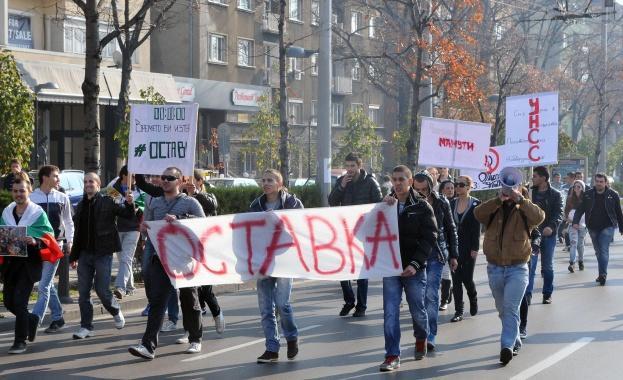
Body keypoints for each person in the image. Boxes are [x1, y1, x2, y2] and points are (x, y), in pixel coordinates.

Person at [128, 167, 206, 360]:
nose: (165, 181)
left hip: (184, 259)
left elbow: (203, 225)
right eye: (163, 177)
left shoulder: (190, 202)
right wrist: (145, 227)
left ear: (179, 181)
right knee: (157, 301)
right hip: (161, 258)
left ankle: (195, 338)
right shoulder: (155, 202)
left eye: (170, 178)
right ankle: (148, 346)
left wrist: (180, 219)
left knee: (189, 299)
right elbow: (148, 229)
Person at [474, 181, 545, 365]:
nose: (509, 191)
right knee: (502, 308)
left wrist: (520, 199)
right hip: (495, 267)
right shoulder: (494, 207)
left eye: (513, 187)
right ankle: (515, 339)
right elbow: (477, 213)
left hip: (518, 267)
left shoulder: (524, 208)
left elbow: (539, 217)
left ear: (520, 189)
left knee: (511, 307)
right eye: (506, 187)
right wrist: (498, 200)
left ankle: (506, 345)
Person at [378, 165, 437, 372]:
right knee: (390, 313)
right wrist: (382, 208)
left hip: (414, 269)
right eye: (394, 179)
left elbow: (430, 237)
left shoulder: (421, 206)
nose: (397, 183)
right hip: (391, 269)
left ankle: (421, 336)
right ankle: (392, 355)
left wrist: (415, 264)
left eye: (402, 179)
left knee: (418, 311)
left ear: (410, 181)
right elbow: (371, 231)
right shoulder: (385, 205)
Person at [1, 174, 63, 354]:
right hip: (10, 264)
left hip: (29, 265)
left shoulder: (37, 213)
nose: (18, 194)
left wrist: (35, 240)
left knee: (20, 302)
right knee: (9, 302)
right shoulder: (7, 211)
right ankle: (31, 320)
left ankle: (20, 341)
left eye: (22, 191)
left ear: (29, 191)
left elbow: (49, 236)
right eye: (15, 191)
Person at [69, 172, 136, 339]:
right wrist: (74, 256)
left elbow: (127, 214)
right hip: (84, 254)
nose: (88, 184)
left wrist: (129, 204)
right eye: (85, 182)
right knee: (83, 293)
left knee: (102, 290)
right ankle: (86, 327)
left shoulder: (108, 201)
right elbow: (78, 233)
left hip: (103, 253)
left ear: (98, 185)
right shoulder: (81, 205)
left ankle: (115, 310)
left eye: (91, 181)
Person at [250, 169, 303, 363]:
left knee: (282, 304)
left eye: (270, 180)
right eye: (263, 180)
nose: (266, 183)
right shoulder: (255, 205)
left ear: (279, 184)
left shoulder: (292, 203)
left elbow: (301, 228)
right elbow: (250, 234)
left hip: (284, 260)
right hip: (264, 261)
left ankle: (291, 337)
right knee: (266, 309)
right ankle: (271, 348)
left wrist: (279, 220)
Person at [328, 152, 382, 317]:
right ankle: (349, 300)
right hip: (345, 231)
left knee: (361, 270)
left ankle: (361, 305)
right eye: (348, 166)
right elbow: (332, 202)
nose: (349, 169)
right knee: (343, 267)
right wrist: (341, 186)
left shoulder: (370, 182)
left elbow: (378, 204)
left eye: (353, 166)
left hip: (363, 232)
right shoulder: (342, 182)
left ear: (360, 166)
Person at [175, 169, 225, 344]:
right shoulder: (180, 199)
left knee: (205, 290)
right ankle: (189, 330)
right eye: (184, 180)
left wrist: (195, 194)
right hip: (187, 249)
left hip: (205, 248)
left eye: (191, 180)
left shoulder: (208, 196)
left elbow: (212, 207)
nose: (187, 183)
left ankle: (217, 314)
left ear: (199, 182)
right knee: (188, 292)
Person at [412, 171, 458, 353]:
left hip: (436, 254)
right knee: (418, 298)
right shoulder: (409, 201)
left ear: (431, 186)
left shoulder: (441, 201)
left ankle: (430, 335)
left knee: (431, 295)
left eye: (425, 189)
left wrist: (454, 254)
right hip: (416, 256)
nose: (422, 193)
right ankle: (421, 333)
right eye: (418, 189)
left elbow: (451, 228)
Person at [30, 165, 75, 334]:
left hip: (56, 245)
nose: (58, 179)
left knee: (43, 286)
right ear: (45, 178)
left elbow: (68, 221)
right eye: (55, 176)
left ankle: (34, 320)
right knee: (47, 284)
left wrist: (70, 241)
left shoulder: (63, 197)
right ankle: (58, 317)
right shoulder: (32, 197)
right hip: (35, 246)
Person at [135, 173, 180, 332]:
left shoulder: (172, 195)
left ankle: (173, 317)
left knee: (170, 280)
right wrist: (143, 230)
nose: (160, 179)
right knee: (147, 272)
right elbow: (147, 214)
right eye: (156, 176)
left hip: (170, 243)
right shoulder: (150, 195)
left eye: (165, 177)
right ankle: (154, 303)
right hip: (153, 240)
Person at [572, 173, 623, 286]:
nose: (599, 183)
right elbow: (580, 209)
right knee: (598, 251)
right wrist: (575, 222)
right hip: (592, 226)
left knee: (603, 249)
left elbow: (619, 212)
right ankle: (601, 274)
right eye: (597, 181)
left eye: (601, 181)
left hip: (608, 226)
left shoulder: (613, 194)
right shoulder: (588, 194)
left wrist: (621, 227)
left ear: (605, 183)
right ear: (595, 182)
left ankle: (603, 274)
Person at [107, 165, 145, 299]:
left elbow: (144, 206)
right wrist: (123, 203)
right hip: (117, 228)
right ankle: (130, 287)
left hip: (133, 228)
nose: (135, 179)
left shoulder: (139, 190)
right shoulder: (112, 189)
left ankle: (120, 287)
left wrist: (136, 207)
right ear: (124, 175)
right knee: (123, 259)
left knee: (126, 258)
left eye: (136, 177)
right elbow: (111, 206)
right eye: (132, 176)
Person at [448, 176, 481, 322]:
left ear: (468, 187)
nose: (458, 187)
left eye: (461, 184)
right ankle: (458, 311)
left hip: (469, 246)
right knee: (456, 280)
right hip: (454, 247)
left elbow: (477, 228)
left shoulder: (475, 204)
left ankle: (473, 299)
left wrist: (475, 248)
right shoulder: (451, 203)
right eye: (456, 184)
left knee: (467, 278)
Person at [529, 166, 563, 304]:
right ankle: (527, 295)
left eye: (535, 176)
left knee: (547, 266)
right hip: (532, 235)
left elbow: (559, 213)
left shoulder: (556, 194)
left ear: (543, 178)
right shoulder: (530, 193)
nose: (533, 178)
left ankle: (547, 293)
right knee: (531, 266)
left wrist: (551, 226)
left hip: (548, 235)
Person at [519, 186, 541, 340]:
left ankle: (522, 326)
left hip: (523, 257)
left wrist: (535, 245)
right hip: (503, 261)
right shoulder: (500, 210)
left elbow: (537, 232)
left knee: (522, 294)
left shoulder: (528, 213)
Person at [438, 179, 455, 311]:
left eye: (452, 188)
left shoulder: (458, 202)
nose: (450, 190)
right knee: (444, 274)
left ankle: (446, 296)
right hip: (442, 245)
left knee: (449, 274)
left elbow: (453, 228)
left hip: (453, 243)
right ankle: (445, 297)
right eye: (447, 188)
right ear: (442, 190)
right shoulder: (439, 203)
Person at [565, 180, 587, 272]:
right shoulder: (570, 198)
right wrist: (568, 219)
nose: (576, 188)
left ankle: (581, 261)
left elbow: (588, 211)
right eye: (575, 187)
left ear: (582, 188)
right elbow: (565, 211)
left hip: (582, 225)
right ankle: (572, 263)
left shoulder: (586, 198)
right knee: (573, 243)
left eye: (579, 187)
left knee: (580, 245)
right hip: (572, 225)